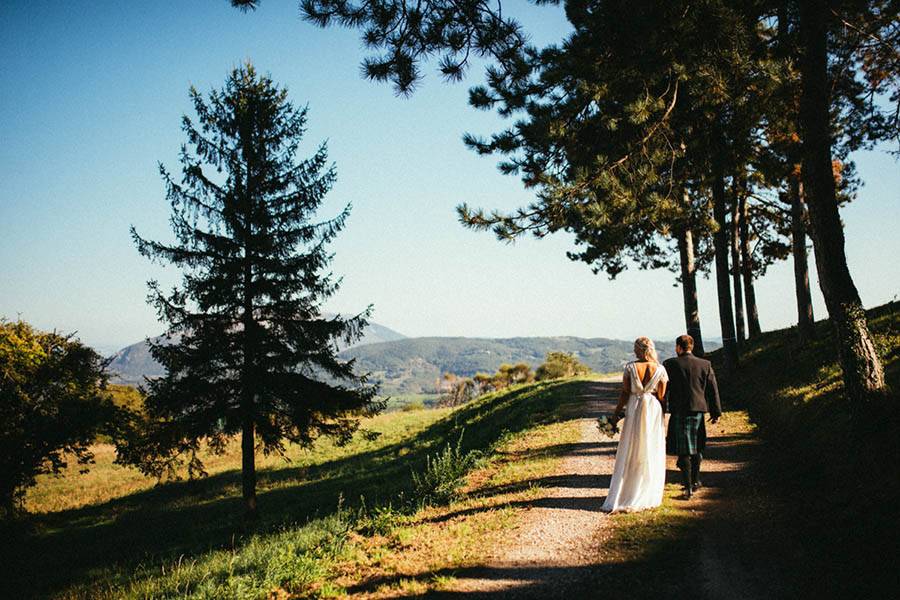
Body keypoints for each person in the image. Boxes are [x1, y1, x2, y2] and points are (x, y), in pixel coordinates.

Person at [602, 337, 668, 513]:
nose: (633, 351)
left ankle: (626, 491)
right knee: (649, 447)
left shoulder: (630, 368)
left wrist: (616, 413)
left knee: (631, 446)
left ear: (640, 350)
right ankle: (646, 490)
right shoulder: (660, 369)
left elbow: (624, 393)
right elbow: (661, 395)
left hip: (635, 407)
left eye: (635, 348)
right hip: (652, 408)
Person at [663, 334, 722, 500]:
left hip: (679, 410)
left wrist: (660, 408)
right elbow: (712, 389)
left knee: (683, 450)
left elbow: (664, 390)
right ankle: (695, 481)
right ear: (692, 347)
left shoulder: (670, 364)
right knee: (697, 447)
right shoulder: (705, 364)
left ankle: (688, 487)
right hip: (698, 410)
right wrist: (716, 412)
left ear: (678, 347)